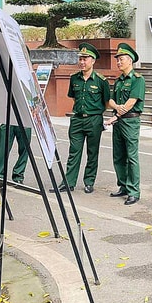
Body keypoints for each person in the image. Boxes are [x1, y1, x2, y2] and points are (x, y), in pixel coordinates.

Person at [54, 43, 110, 194]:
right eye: (80, 58)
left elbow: (105, 102)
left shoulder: (101, 80)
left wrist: (94, 113)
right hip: (77, 120)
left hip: (94, 120)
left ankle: (89, 182)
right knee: (74, 152)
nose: (82, 62)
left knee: (92, 153)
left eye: (85, 59)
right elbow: (73, 97)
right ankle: (68, 182)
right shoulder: (74, 79)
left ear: (93, 61)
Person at [106, 43, 145, 205]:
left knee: (132, 157)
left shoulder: (137, 80)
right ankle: (123, 185)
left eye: (121, 59)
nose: (119, 62)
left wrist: (115, 115)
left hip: (130, 121)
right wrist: (116, 108)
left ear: (130, 61)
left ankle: (134, 191)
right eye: (118, 60)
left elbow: (131, 103)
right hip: (119, 122)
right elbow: (110, 100)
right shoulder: (119, 80)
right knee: (118, 156)